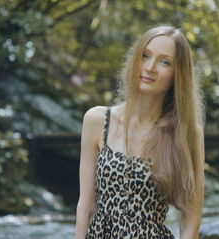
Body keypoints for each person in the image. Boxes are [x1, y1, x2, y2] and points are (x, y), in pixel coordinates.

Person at [75, 25, 205, 239]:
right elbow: (85, 207)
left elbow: (191, 217)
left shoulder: (186, 132)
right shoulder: (97, 120)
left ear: (177, 75)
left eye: (165, 62)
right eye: (145, 56)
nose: (150, 67)